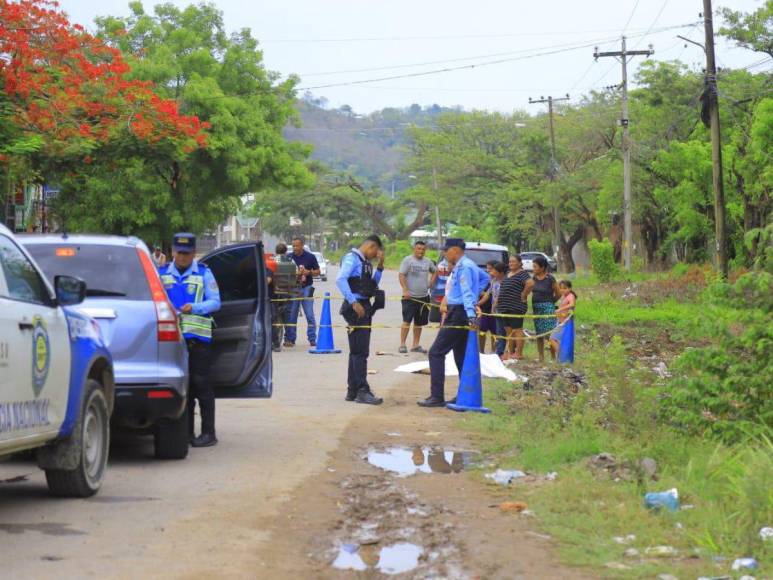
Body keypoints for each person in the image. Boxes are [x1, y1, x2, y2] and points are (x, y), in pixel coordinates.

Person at [159, 233, 221, 447]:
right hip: (171, 341)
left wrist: (194, 307)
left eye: (186, 253)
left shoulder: (204, 274)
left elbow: (215, 302)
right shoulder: (162, 274)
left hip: (198, 339)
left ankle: (208, 433)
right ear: (173, 252)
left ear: (193, 253)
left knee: (201, 385)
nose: (182, 257)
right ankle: (185, 434)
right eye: (179, 253)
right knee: (181, 387)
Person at [418, 238, 489, 408]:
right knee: (460, 355)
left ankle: (437, 396)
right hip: (461, 311)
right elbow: (485, 278)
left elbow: (466, 292)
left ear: (455, 250)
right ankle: (464, 394)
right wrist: (475, 293)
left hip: (459, 312)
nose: (444, 253)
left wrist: (471, 313)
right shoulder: (469, 265)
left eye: (446, 250)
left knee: (436, 352)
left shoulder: (464, 267)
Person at [336, 235, 386, 405]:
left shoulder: (365, 262)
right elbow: (340, 279)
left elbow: (371, 285)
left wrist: (380, 266)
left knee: (357, 351)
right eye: (375, 253)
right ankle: (362, 391)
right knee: (360, 352)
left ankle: (353, 390)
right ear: (371, 246)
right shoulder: (352, 258)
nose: (375, 256)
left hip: (363, 306)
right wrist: (353, 301)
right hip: (356, 308)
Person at [398, 241, 437, 354]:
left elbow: (435, 272)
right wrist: (405, 289)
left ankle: (415, 345)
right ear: (414, 249)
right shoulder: (408, 260)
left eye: (423, 249)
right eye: (419, 249)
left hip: (423, 297)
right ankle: (402, 344)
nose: (421, 251)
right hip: (410, 297)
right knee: (406, 321)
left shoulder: (428, 261)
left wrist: (431, 283)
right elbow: (401, 275)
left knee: (419, 323)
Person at [522, 255, 559, 362]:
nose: (533, 269)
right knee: (539, 334)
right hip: (536, 308)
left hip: (548, 308)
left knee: (549, 333)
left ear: (542, 268)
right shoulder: (533, 279)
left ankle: (553, 357)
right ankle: (541, 357)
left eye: (535, 267)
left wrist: (551, 303)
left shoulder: (550, 278)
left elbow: (558, 293)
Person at [284, 237, 320, 348]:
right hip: (293, 289)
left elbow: (318, 271)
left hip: (307, 288)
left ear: (302, 246)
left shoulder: (310, 257)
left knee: (309, 315)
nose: (295, 248)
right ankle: (290, 339)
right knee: (292, 315)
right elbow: (282, 272)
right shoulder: (288, 258)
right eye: (293, 246)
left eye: (297, 245)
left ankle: (312, 339)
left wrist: (308, 272)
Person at [497, 255, 531, 360]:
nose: (511, 263)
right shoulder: (508, 274)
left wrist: (524, 294)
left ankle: (519, 353)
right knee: (508, 330)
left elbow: (530, 283)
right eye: (510, 261)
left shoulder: (523, 274)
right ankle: (510, 352)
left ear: (520, 263)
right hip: (504, 306)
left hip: (516, 306)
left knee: (517, 329)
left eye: (513, 261)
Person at [268, 243, 297, 352]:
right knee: (288, 315)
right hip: (288, 291)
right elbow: (296, 274)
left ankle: (275, 339)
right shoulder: (291, 261)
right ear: (285, 251)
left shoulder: (273, 261)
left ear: (276, 251)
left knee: (274, 316)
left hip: (276, 292)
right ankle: (289, 339)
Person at [477, 261, 506, 354]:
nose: (489, 271)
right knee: (482, 330)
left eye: (491, 269)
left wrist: (495, 304)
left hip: (499, 311)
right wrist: (478, 304)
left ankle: (495, 352)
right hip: (486, 310)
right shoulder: (491, 281)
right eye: (487, 269)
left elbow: (498, 296)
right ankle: (481, 352)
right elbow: (487, 294)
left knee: (497, 332)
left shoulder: (505, 281)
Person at [549, 280, 577, 358]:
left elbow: (572, 304)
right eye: (561, 288)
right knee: (556, 339)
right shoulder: (564, 296)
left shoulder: (571, 296)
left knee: (553, 339)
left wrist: (559, 310)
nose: (562, 290)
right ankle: (562, 357)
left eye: (565, 288)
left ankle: (561, 356)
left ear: (570, 288)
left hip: (566, 322)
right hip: (560, 321)